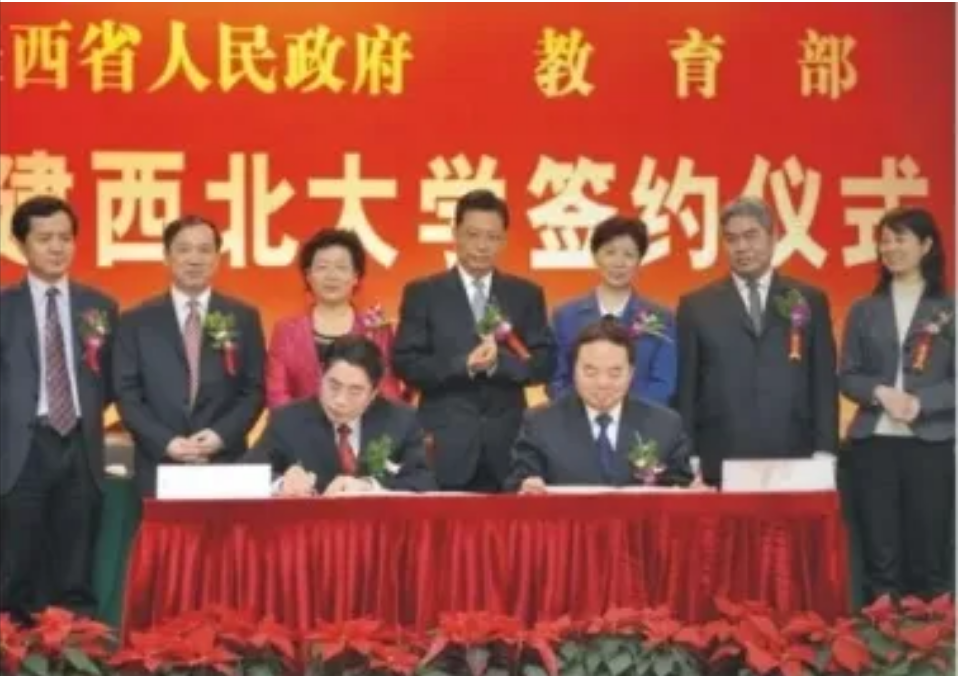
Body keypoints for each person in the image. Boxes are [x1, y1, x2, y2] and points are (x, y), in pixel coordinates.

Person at [0, 196, 118, 622]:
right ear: (21, 245)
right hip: (21, 448)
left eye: (65, 238)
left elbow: (108, 379)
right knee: (17, 565)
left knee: (76, 565)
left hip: (80, 445)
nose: (56, 247)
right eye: (45, 238)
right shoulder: (4, 306)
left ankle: (76, 647)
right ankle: (13, 647)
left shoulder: (99, 306)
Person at [392, 189, 556, 491]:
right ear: (455, 234)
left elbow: (544, 363)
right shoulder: (423, 293)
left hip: (508, 446)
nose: (482, 246)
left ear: (504, 240)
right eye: (473, 235)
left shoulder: (525, 294)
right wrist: (464, 365)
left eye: (492, 237)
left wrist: (498, 365)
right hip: (445, 445)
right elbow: (406, 363)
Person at [676, 197, 839, 486]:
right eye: (731, 239)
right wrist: (688, 454)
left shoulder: (809, 299)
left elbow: (823, 381)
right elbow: (687, 388)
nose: (741, 247)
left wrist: (825, 449)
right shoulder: (696, 305)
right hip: (721, 453)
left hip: (795, 451)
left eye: (751, 236)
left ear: (773, 237)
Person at [839, 207, 955, 603]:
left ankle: (933, 631)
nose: (890, 248)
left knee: (930, 546)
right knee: (879, 546)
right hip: (874, 443)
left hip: (931, 442)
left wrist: (922, 402)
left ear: (926, 245)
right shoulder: (863, 309)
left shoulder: (949, 309)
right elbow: (847, 375)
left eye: (900, 239)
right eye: (884, 241)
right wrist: (880, 392)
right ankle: (880, 627)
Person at [113, 215, 266, 496]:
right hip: (158, 463)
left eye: (204, 250)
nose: (194, 259)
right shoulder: (135, 321)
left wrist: (221, 435)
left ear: (217, 258)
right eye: (183, 249)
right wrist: (166, 441)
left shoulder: (244, 317)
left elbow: (254, 389)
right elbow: (127, 394)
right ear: (166, 257)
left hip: (225, 462)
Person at [505, 320, 692, 493]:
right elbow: (518, 482)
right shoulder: (540, 423)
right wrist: (525, 486)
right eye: (590, 371)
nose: (602, 383)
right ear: (574, 371)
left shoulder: (665, 424)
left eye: (614, 373)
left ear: (631, 373)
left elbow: (682, 490)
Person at [249, 335, 435, 496]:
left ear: (373, 393)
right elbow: (245, 474)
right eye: (333, 386)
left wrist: (368, 488)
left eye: (355, 391)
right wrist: (281, 484)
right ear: (321, 376)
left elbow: (424, 483)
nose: (340, 400)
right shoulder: (288, 420)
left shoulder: (401, 421)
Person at [266, 229, 404, 409]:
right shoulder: (286, 330)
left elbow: (388, 392)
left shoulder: (376, 327)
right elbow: (277, 395)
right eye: (322, 267)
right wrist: (301, 425)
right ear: (308, 276)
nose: (331, 276)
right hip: (300, 426)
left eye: (341, 267)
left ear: (355, 277)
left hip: (364, 426)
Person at [549, 215, 676, 405]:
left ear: (640, 260)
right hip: (578, 420)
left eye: (629, 255)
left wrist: (621, 414)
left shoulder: (661, 318)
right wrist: (590, 412)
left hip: (641, 421)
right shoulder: (565, 316)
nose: (619, 263)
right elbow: (557, 381)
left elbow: (663, 384)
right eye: (610, 252)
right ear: (596, 256)